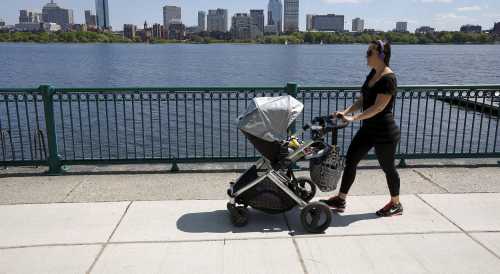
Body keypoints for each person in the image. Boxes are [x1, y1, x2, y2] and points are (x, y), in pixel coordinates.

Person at [320, 40, 403, 217]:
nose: (366, 56)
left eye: (369, 53)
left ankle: (396, 203)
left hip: (384, 132)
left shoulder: (389, 78)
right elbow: (363, 100)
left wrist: (354, 118)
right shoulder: (372, 73)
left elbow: (378, 107)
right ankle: (340, 199)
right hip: (368, 129)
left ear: (381, 56)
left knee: (388, 168)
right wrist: (346, 112)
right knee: (351, 160)